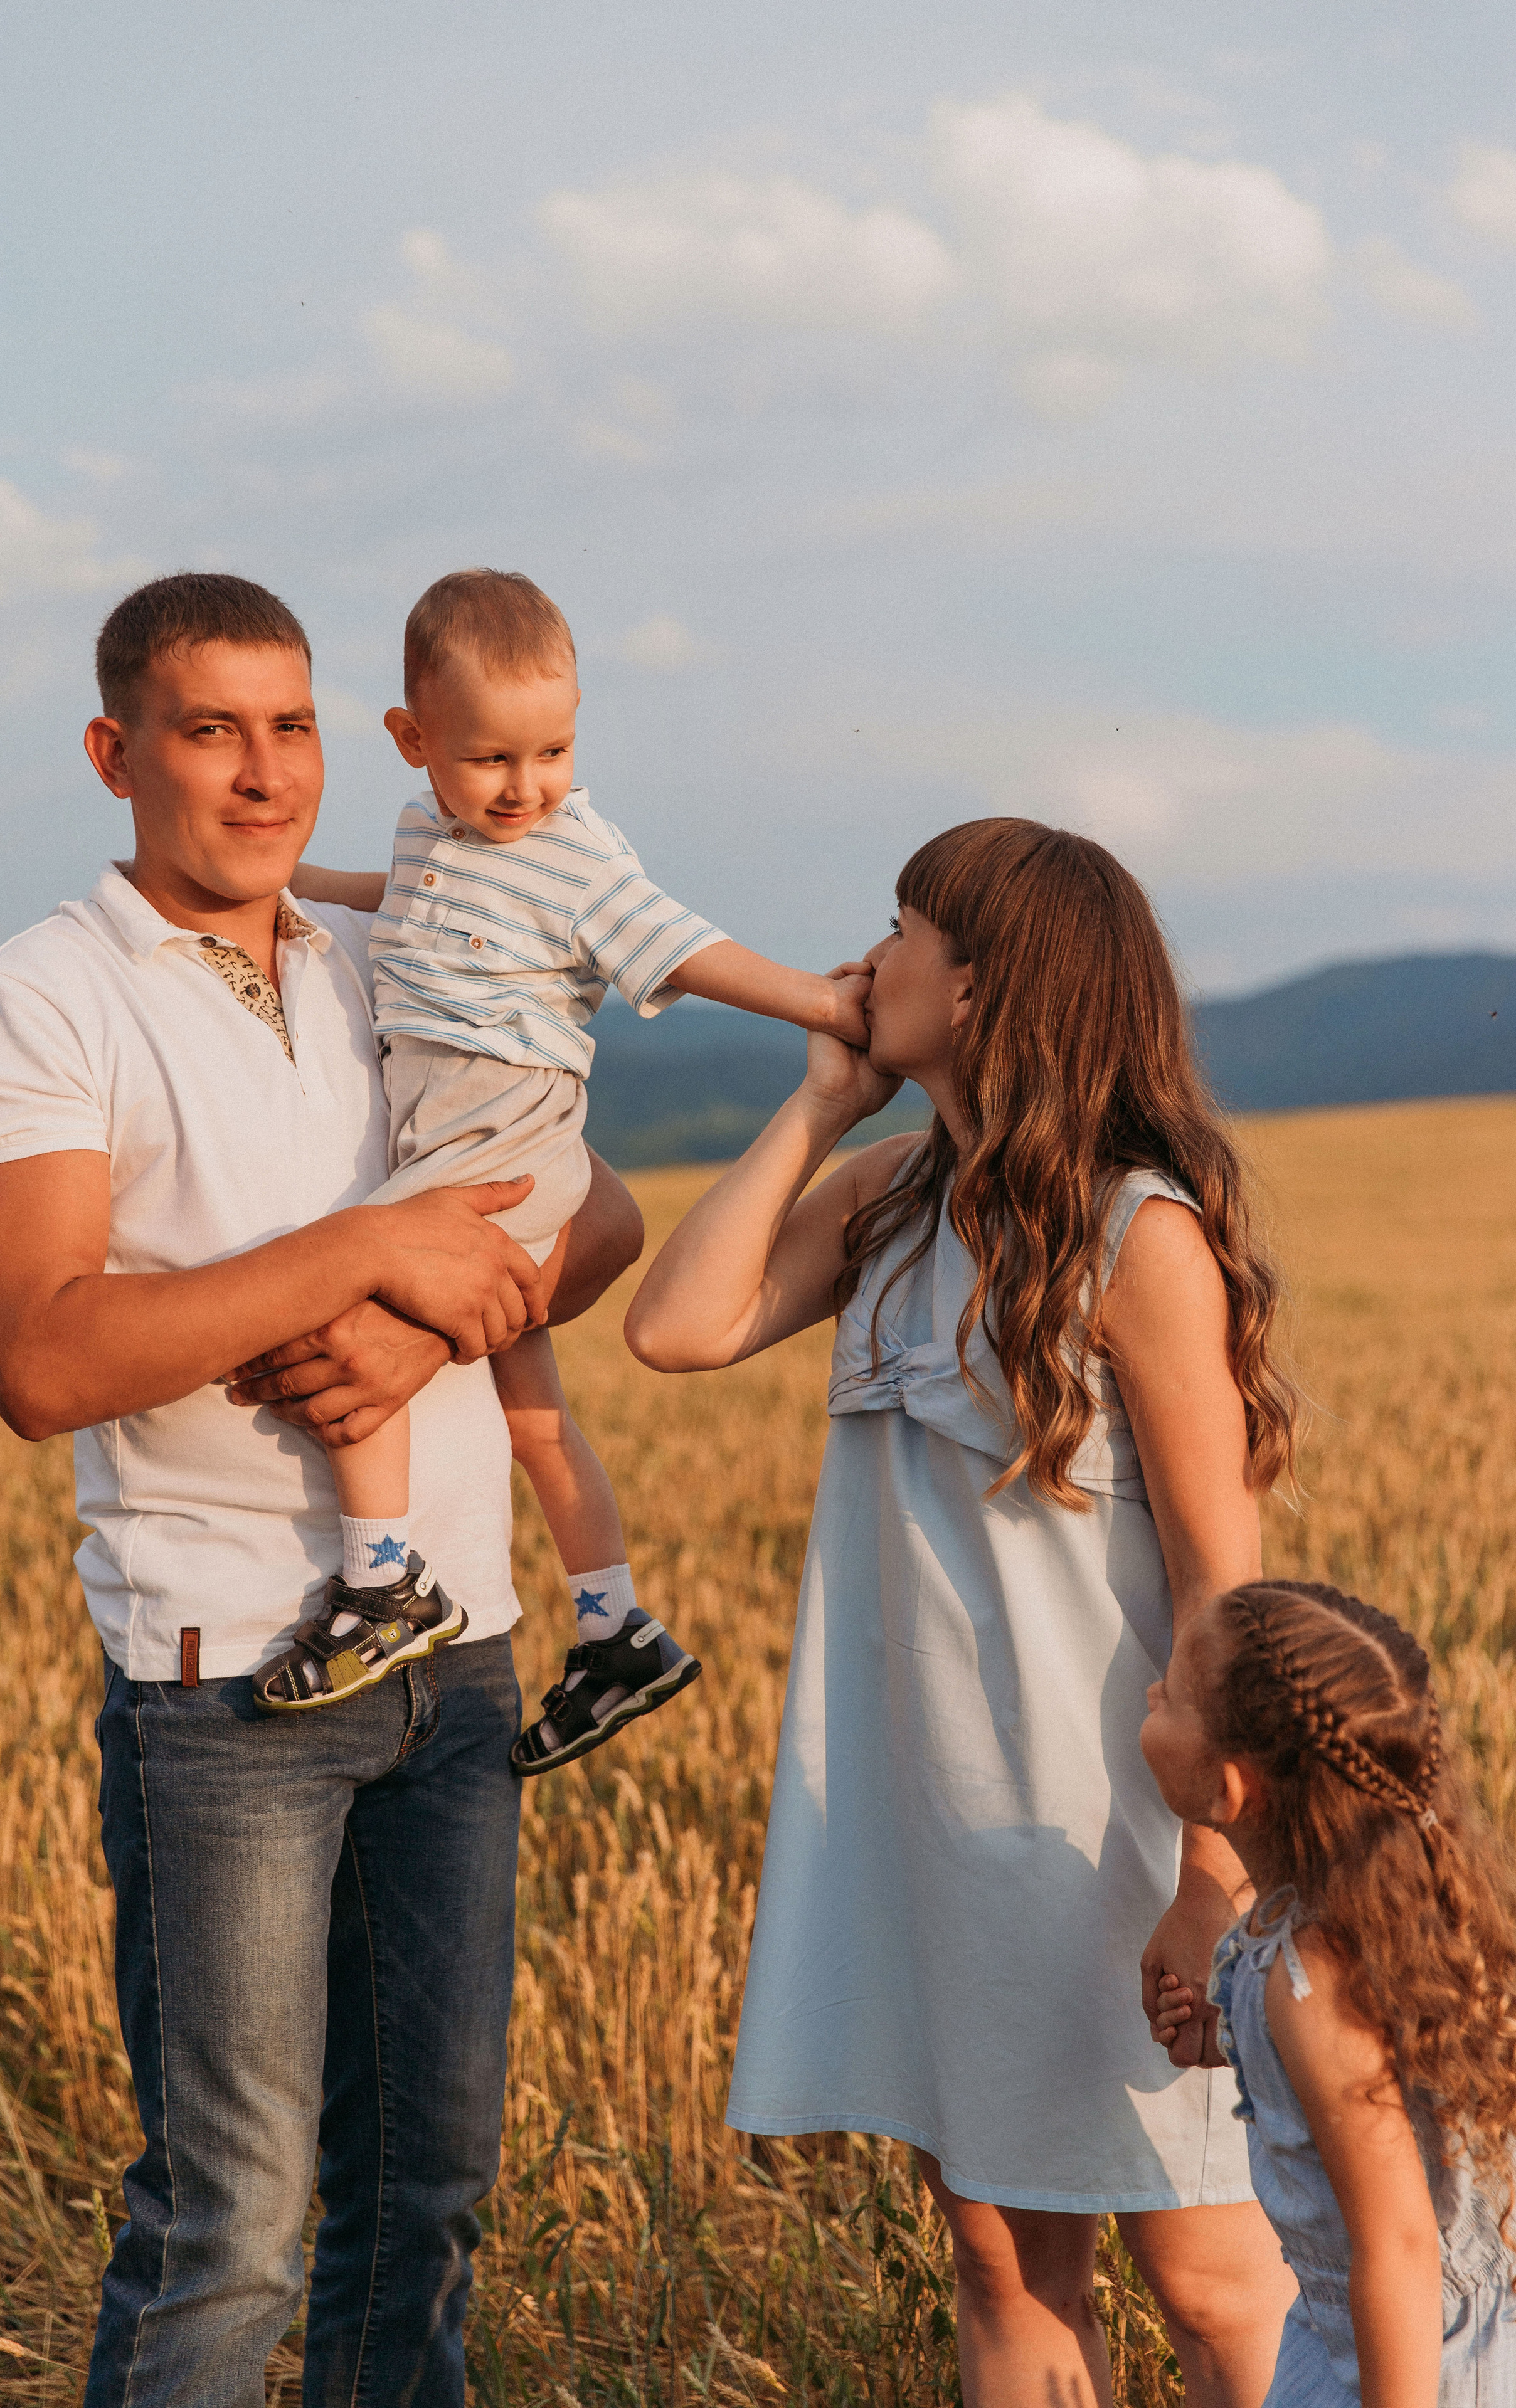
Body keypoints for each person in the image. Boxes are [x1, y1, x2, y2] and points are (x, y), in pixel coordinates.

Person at [0, 571, 639, 2406]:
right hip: (230, 1682)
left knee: (429, 2196)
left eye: (295, 724)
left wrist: (412, 1329)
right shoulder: (43, 996)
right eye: (211, 729)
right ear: (116, 753)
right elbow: (48, 1358)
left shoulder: (385, 956)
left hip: (459, 1664)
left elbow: (603, 1208)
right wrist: (368, 1252)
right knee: (232, 2218)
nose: (264, 775)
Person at [626, 816, 1303, 2407]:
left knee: (1212, 2276)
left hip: (1119, 1830)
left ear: (986, 988)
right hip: (941, 1820)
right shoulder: (883, 1193)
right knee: (1001, 2264)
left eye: (905, 931)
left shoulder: (1139, 1233)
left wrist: (1214, 1873)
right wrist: (815, 1105)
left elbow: (1225, 1576)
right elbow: (677, 1325)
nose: (868, 961)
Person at [273, 566, 872, 1777]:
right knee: (533, 1414)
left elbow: (683, 947)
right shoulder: (430, 834)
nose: (527, 786)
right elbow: (421, 902)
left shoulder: (578, 854)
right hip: (463, 1139)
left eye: (553, 751)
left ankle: (383, 1581)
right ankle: (616, 1626)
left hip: (501, 1142)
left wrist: (819, 1000)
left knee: (349, 1294)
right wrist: (304, 890)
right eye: (493, 759)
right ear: (413, 740)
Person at [1144, 1578, 1516, 2405]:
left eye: (1170, 1698)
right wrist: (1233, 2039)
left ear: (1228, 1792)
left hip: (1410, 2360)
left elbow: (1399, 2244)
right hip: (1340, 2326)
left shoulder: (1315, 1984)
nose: (1150, 1694)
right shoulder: (1326, 1915)